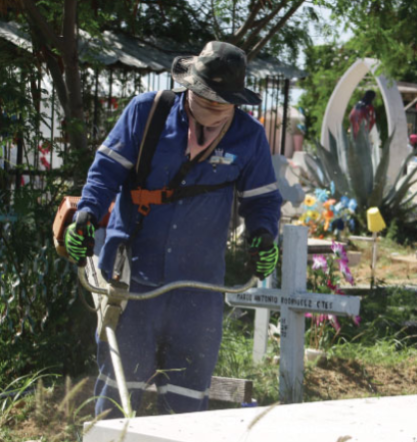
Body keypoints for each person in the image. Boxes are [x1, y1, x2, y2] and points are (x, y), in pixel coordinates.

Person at [64, 42, 282, 419]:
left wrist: (263, 236)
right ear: (189, 85)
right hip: (130, 279)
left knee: (186, 398)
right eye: (206, 95)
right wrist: (86, 215)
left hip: (198, 286)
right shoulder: (147, 114)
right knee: (120, 390)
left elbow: (262, 201)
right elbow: (104, 175)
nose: (213, 104)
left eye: (222, 99)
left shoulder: (249, 137)